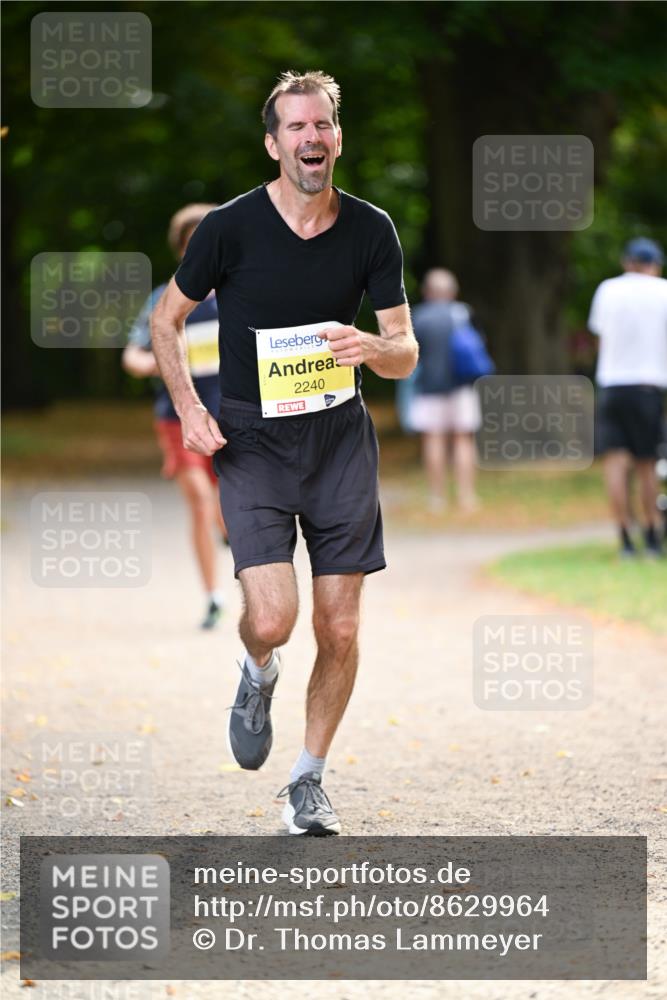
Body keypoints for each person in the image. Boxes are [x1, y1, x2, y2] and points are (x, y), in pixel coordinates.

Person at [150, 71, 418, 835]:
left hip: (338, 439)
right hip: (253, 441)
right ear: (274, 144)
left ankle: (307, 781)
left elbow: (405, 350)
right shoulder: (229, 228)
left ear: (338, 136)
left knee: (338, 628)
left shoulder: (371, 229)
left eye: (322, 126)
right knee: (272, 618)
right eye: (295, 128)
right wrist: (191, 409)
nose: (311, 139)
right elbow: (167, 323)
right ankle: (255, 671)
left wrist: (371, 345)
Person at [123, 204, 228, 628]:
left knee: (229, 506)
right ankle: (213, 597)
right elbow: (133, 355)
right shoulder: (163, 298)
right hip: (178, 418)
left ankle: (229, 535)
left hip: (232, 418)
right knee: (200, 502)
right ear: (183, 248)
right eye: (193, 239)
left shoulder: (243, 291)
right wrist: (157, 362)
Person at [588, 237, 667, 558]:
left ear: (627, 262)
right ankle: (650, 536)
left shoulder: (608, 289)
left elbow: (599, 338)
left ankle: (624, 540)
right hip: (648, 387)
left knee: (615, 464)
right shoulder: (663, 291)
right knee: (647, 463)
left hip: (612, 385)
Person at [409, 268, 482, 512]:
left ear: (427, 291)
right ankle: (466, 496)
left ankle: (437, 498)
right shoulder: (462, 313)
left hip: (429, 387)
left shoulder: (418, 317)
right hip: (461, 385)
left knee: (433, 439)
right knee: (463, 439)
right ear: (452, 291)